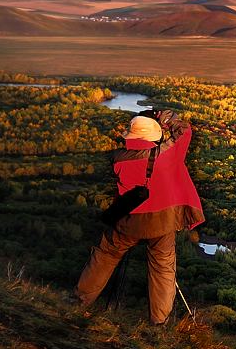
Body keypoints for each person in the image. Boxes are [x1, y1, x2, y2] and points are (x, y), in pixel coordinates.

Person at [75, 109, 204, 324]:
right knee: (162, 266)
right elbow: (184, 132)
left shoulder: (117, 159)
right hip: (162, 221)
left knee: (105, 255)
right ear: (154, 136)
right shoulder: (167, 154)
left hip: (129, 220)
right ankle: (159, 321)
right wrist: (166, 118)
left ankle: (80, 300)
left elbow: (135, 157)